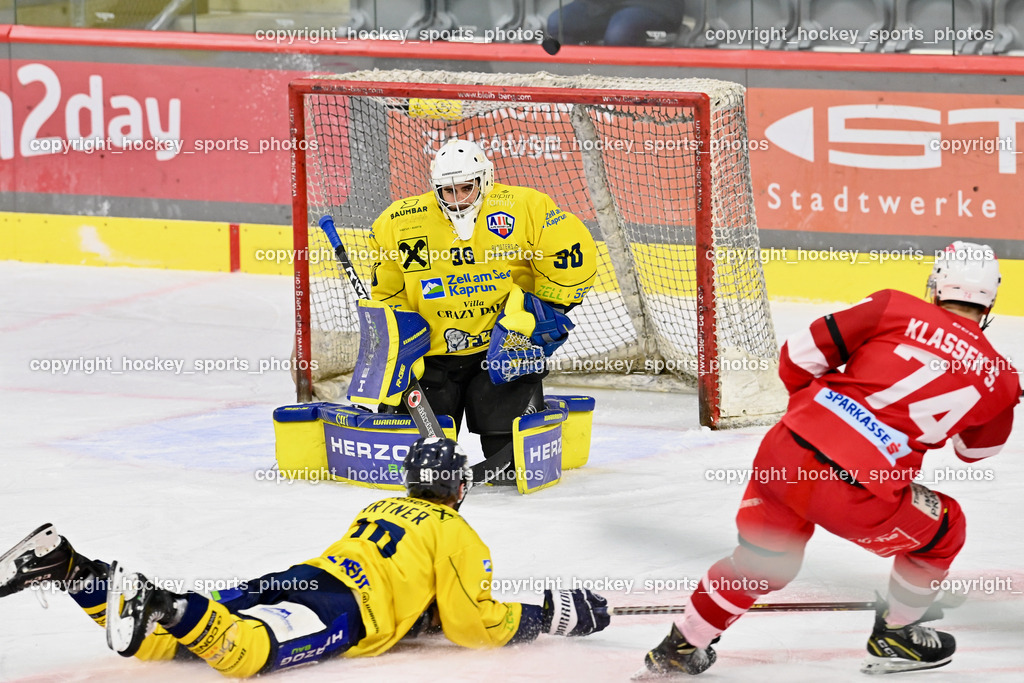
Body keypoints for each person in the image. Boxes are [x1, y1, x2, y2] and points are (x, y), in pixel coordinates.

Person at [641, 241, 1020, 676]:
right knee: (946, 527)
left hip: (786, 453)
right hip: (859, 493)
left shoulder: (892, 306)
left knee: (762, 562)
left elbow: (797, 358)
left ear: (935, 286)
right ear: (991, 302)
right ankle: (897, 632)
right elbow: (976, 452)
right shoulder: (1002, 376)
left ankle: (681, 646)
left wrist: (823, 420)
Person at [0, 437, 610, 677]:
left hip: (302, 577)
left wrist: (421, 613)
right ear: (458, 489)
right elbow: (472, 624)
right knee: (246, 654)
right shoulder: (458, 535)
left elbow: (414, 589)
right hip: (343, 609)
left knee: (161, 646)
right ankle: (158, 600)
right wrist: (548, 615)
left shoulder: (379, 506)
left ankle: (68, 567)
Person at [367, 138, 597, 482]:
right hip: (432, 357)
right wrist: (402, 340)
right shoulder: (398, 221)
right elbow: (388, 292)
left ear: (484, 179)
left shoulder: (524, 207)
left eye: (466, 188)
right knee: (418, 466)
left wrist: (542, 311)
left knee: (512, 467)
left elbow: (571, 256)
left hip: (502, 351)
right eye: (448, 191)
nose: (458, 199)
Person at [547, 0, 685, 47]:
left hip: (650, 4)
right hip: (601, 5)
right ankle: (576, 83)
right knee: (558, 22)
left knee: (619, 33)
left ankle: (625, 88)